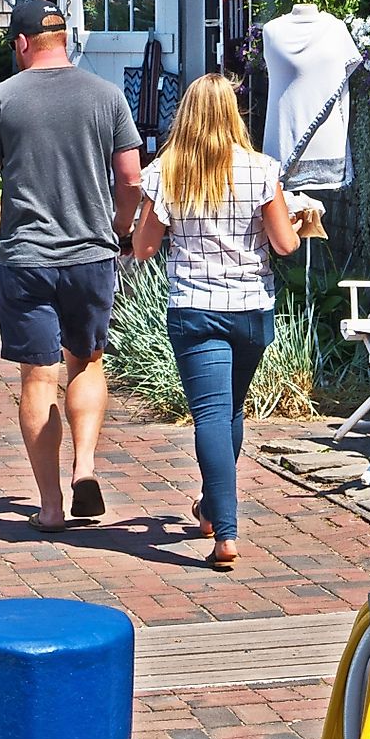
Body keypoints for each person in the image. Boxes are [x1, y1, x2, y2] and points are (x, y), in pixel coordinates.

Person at [0, 0, 141, 533]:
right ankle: (85, 466)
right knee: (85, 362)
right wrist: (120, 231)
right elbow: (131, 179)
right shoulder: (106, 96)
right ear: (64, 38)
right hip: (90, 254)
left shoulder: (1, 100)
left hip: (27, 256)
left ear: (21, 44)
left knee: (38, 378)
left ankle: (49, 504)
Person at [128, 73, 302, 570]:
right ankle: (211, 510)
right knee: (230, 412)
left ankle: (225, 532)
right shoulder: (261, 170)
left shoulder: (166, 171)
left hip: (195, 307)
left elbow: (143, 248)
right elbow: (286, 244)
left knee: (211, 414)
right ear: (232, 113)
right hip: (250, 308)